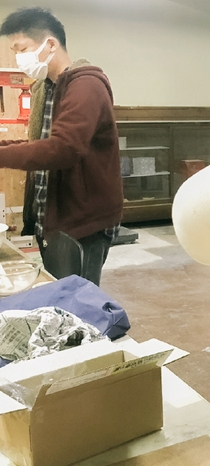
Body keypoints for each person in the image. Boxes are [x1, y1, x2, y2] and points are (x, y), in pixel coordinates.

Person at [0, 7, 123, 286]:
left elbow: (63, 149)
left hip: (83, 221)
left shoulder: (86, 85)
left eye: (23, 49)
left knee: (75, 298)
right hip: (53, 217)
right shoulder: (46, 87)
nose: (19, 58)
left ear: (51, 44)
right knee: (58, 290)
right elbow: (40, 145)